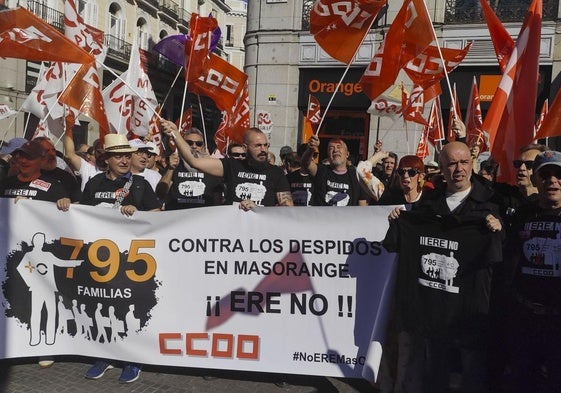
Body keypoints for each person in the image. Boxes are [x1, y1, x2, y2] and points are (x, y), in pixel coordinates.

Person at [384, 141, 503, 393]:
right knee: (434, 373)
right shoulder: (428, 205)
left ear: (472, 165)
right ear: (441, 168)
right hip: (433, 311)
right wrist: (398, 220)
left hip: (469, 310)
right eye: (451, 163)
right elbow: (395, 244)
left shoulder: (490, 206)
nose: (458, 169)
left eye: (463, 162)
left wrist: (498, 230)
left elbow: (501, 255)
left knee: (471, 374)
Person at [81, 133, 161, 384]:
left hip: (130, 260)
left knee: (129, 307)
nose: (125, 160)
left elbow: (157, 214)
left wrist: (137, 213)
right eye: (119, 156)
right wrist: (64, 204)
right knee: (103, 305)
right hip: (100, 258)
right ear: (107, 159)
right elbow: (80, 212)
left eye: (128, 155)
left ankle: (132, 359)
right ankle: (105, 354)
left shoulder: (140, 185)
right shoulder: (94, 183)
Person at [504, 150, 561, 392]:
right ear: (536, 180)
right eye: (545, 175)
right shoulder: (523, 214)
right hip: (525, 318)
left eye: (559, 175)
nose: (552, 181)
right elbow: (511, 259)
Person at [161, 121, 293, 210]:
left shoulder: (276, 172)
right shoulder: (232, 166)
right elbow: (195, 161)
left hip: (262, 235)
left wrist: (258, 210)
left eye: (266, 145)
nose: (263, 149)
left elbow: (287, 208)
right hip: (232, 235)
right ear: (245, 148)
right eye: (258, 146)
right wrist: (175, 134)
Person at [160, 128, 223, 210]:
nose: (194, 146)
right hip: (177, 217)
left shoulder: (211, 168)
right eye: (189, 143)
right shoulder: (174, 165)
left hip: (203, 218)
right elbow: (160, 194)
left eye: (199, 144)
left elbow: (218, 199)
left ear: (203, 147)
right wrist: (170, 168)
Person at [302, 135, 368, 206]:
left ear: (347, 154)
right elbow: (306, 163)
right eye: (331, 148)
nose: (335, 150)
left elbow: (362, 207)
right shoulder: (321, 171)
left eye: (339, 147)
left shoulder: (356, 177)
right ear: (328, 155)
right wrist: (311, 149)